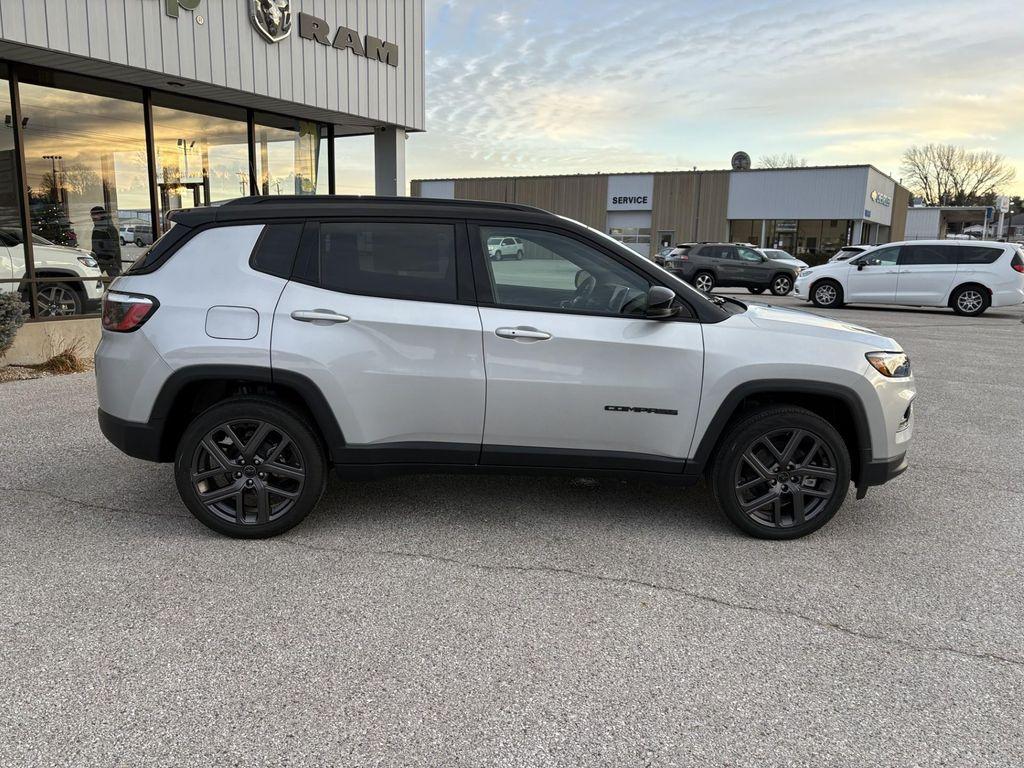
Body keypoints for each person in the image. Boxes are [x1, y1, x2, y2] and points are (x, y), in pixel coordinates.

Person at [90, 206, 122, 277]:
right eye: (91, 215)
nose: (92, 217)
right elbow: (96, 244)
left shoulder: (108, 228)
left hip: (108, 259)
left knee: (115, 280)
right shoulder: (98, 226)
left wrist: (108, 258)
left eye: (94, 214)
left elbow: (114, 246)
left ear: (100, 215)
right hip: (101, 259)